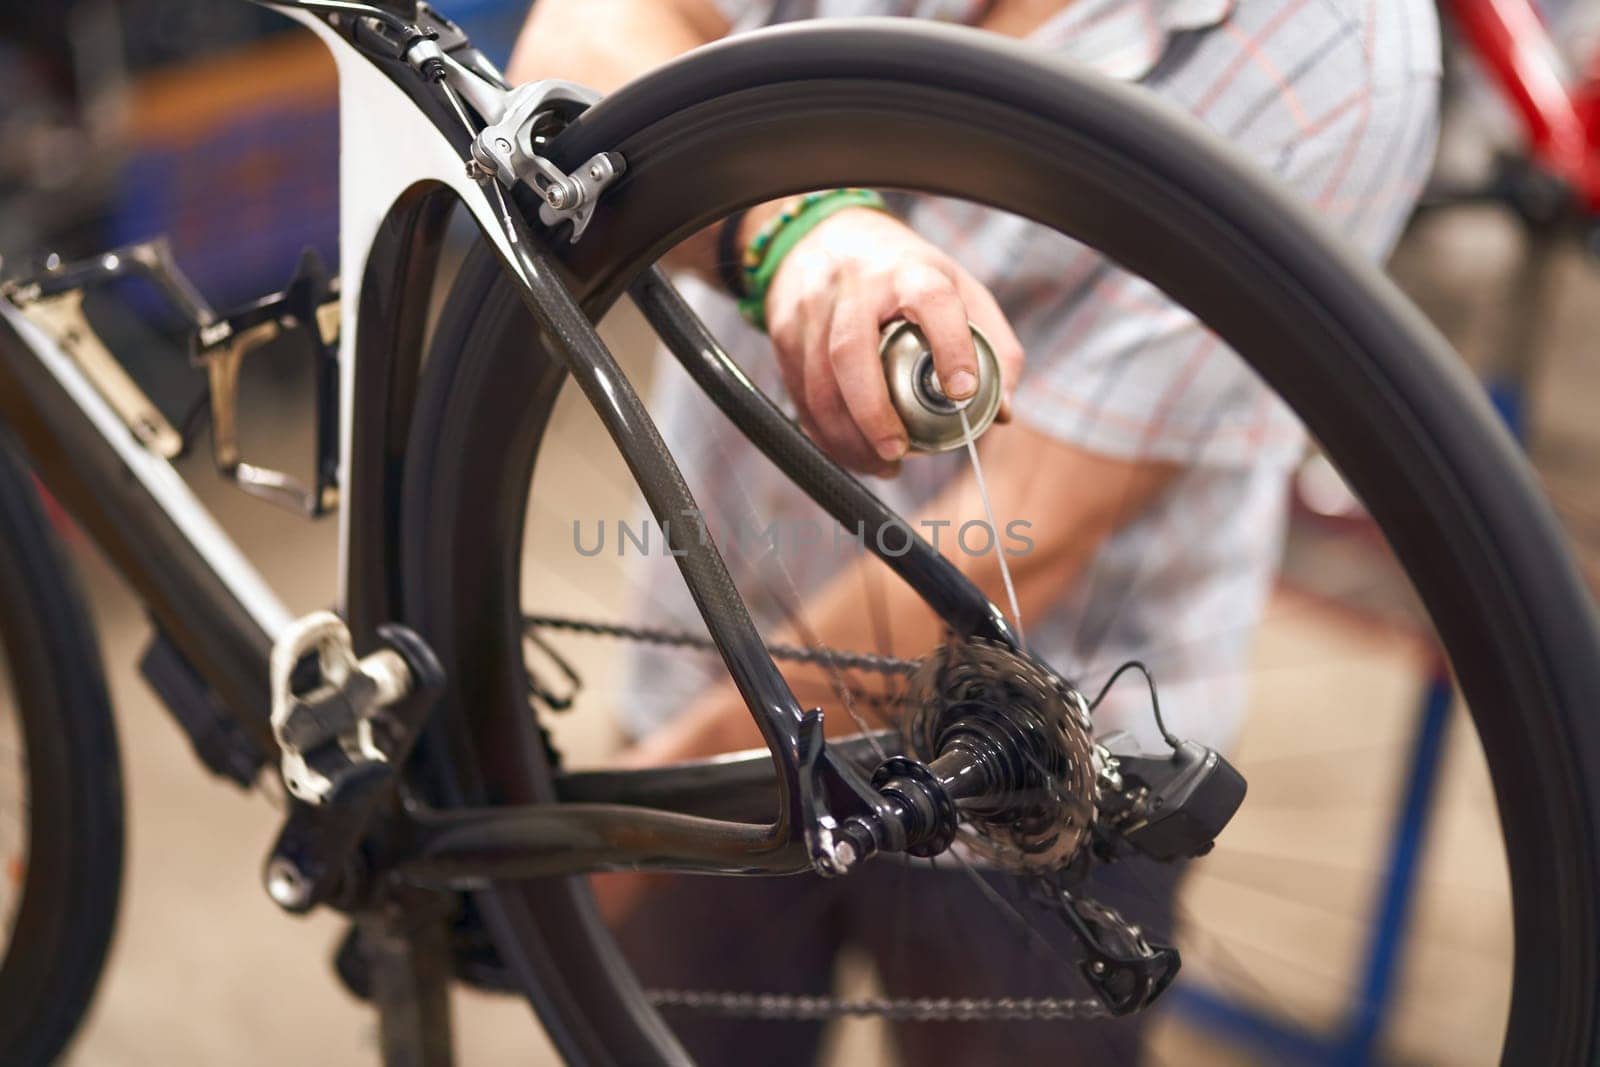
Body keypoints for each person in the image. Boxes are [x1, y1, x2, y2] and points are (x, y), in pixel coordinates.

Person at [509, 1, 1441, 1063]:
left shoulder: (1344, 54)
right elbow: (578, 46)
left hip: (1033, 785)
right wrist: (800, 229)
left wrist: (631, 818)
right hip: (711, 627)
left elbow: (1019, 538)